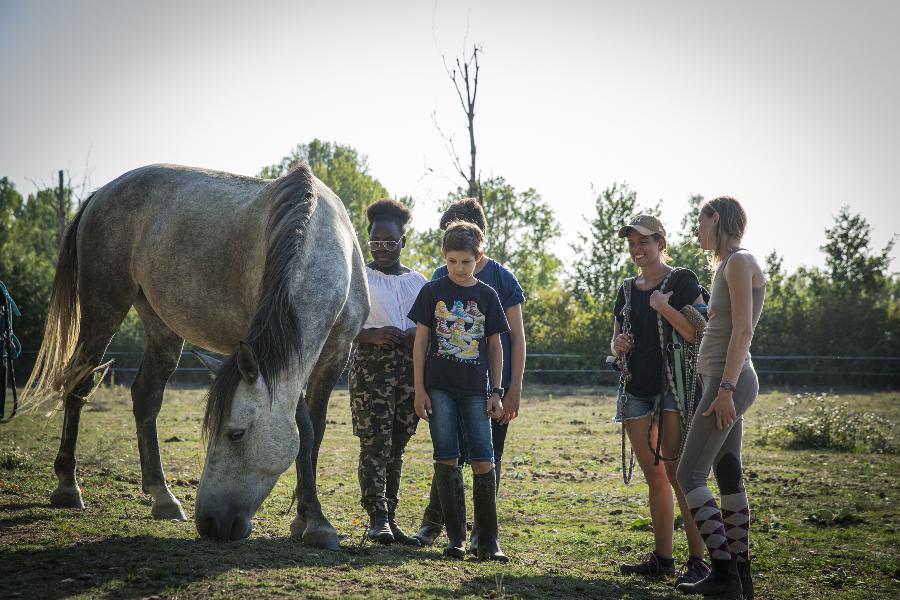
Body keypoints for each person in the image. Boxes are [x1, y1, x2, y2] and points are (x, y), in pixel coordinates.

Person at [413, 199, 526, 553]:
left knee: (486, 455)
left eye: (466, 259)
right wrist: (419, 387)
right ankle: (446, 533)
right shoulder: (436, 283)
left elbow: (510, 340)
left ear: (480, 251)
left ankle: (485, 538)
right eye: (452, 258)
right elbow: (423, 338)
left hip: (484, 385)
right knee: (446, 453)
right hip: (443, 382)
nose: (458, 266)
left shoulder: (498, 283)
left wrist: (507, 389)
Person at [611, 214, 710, 585]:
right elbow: (615, 338)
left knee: (677, 473)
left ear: (660, 243)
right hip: (637, 389)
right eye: (632, 244)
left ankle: (698, 560)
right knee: (654, 476)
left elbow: (699, 334)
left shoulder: (682, 281)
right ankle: (663, 558)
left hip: (675, 389)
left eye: (645, 242)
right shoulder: (624, 289)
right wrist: (617, 345)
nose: (638, 250)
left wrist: (663, 307)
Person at [675, 197, 765, 598]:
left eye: (699, 221)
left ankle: (724, 572)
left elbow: (743, 331)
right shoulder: (728, 266)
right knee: (728, 473)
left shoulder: (741, 262)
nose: (696, 230)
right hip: (721, 378)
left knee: (688, 474)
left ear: (716, 218)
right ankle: (741, 576)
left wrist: (726, 389)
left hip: (729, 381)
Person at [350, 199, 427, 545]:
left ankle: (391, 517)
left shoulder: (419, 282)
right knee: (374, 443)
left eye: (389, 242)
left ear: (403, 242)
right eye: (375, 242)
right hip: (371, 371)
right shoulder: (358, 278)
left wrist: (416, 333)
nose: (382, 248)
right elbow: (338, 325)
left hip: (410, 371)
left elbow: (433, 327)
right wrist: (371, 334)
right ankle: (376, 517)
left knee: (398, 443)